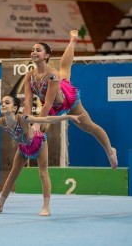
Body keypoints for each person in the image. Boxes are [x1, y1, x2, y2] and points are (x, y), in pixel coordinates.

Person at [0, 95, 86, 216]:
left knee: (43, 173)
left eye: (7, 103)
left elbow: (47, 119)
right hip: (23, 147)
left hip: (38, 143)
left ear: (14, 108)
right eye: (2, 102)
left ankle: (46, 207)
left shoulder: (23, 118)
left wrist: (69, 116)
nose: (2, 104)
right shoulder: (2, 121)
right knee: (13, 174)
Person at [23, 30, 118, 169]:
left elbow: (48, 103)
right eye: (32, 50)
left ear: (47, 55)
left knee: (89, 126)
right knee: (65, 70)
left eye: (38, 50)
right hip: (53, 102)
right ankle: (73, 41)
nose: (34, 52)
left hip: (66, 99)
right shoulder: (29, 76)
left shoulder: (52, 75)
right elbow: (28, 101)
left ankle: (110, 151)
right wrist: (27, 121)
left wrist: (36, 124)